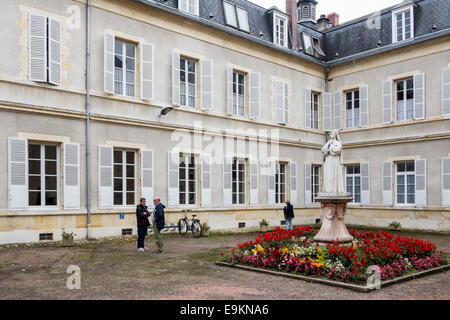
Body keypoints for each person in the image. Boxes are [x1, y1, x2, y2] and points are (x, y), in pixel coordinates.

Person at [321, 130, 345, 194]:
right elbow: (323, 150)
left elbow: (337, 150)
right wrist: (328, 146)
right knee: (328, 173)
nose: (331, 134)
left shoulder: (338, 142)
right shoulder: (328, 142)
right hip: (328, 160)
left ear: (335, 135)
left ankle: (334, 189)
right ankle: (328, 189)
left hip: (335, 161)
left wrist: (331, 147)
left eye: (332, 133)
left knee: (334, 174)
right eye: (331, 133)